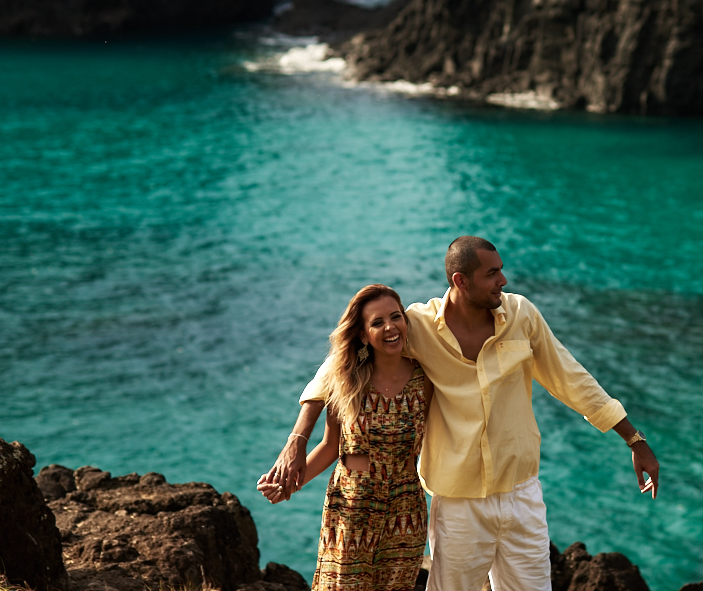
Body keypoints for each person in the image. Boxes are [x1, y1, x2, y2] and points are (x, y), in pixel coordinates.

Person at [264, 237, 659, 591]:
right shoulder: (417, 326)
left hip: (522, 493)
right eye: (492, 274)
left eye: (501, 270)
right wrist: (297, 441)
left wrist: (634, 439)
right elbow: (336, 369)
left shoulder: (521, 316)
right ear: (461, 281)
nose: (503, 280)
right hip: (457, 503)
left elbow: (572, 380)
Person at [258, 284, 433, 591]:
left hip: (406, 510)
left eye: (396, 317)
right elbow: (330, 447)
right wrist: (291, 484)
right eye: (377, 322)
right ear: (363, 335)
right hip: (352, 505)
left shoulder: (425, 379)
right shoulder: (348, 381)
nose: (390, 327)